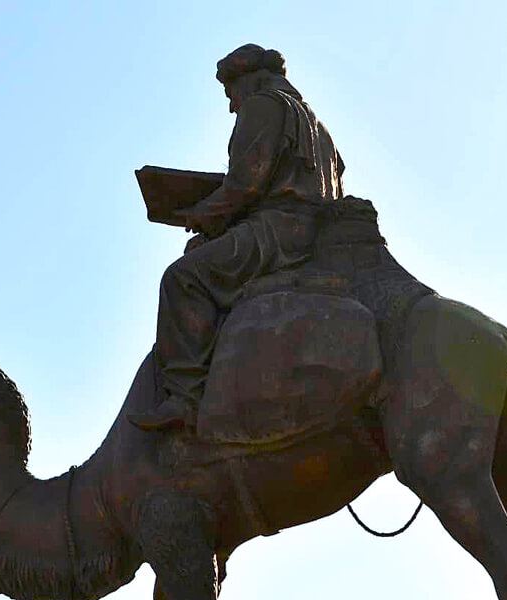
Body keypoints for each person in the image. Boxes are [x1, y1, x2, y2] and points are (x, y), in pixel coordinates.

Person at [128, 44, 346, 431]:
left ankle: (184, 396)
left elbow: (245, 184)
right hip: (312, 233)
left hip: (277, 234)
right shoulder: (321, 130)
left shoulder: (263, 105)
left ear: (251, 80)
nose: (231, 106)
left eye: (230, 94)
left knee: (182, 278)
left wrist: (194, 213)